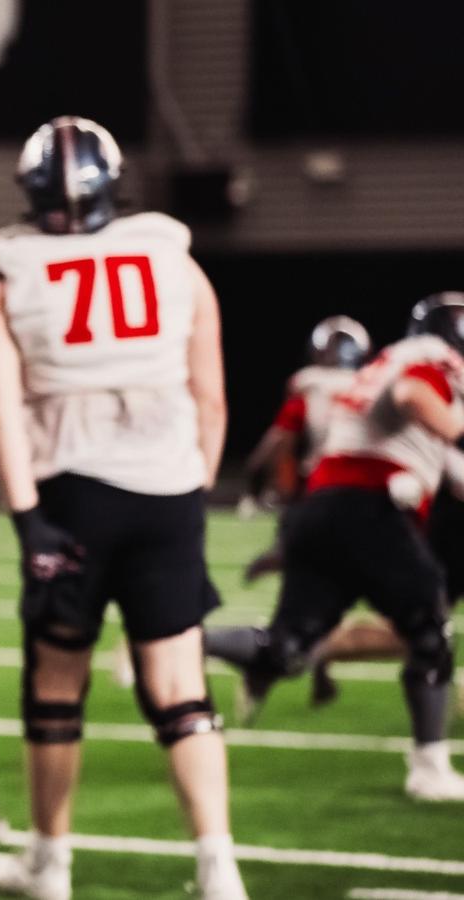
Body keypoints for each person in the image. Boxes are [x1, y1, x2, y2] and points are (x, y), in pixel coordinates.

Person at [0, 117, 246, 899]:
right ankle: (218, 866)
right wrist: (190, 489)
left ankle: (49, 864)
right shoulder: (174, 261)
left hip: (74, 494)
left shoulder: (11, 274)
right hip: (169, 492)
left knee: (56, 684)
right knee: (181, 689)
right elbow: (213, 397)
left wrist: (27, 518)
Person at [204, 292, 464, 802]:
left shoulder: (387, 362)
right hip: (368, 509)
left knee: (287, 649)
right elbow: (416, 396)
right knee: (430, 624)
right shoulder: (428, 360)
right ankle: (429, 768)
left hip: (318, 512)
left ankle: (183, 643)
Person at [235, 316, 370, 583]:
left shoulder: (309, 384)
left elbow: (276, 443)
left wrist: (256, 484)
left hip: (320, 484)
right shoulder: (373, 382)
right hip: (370, 487)